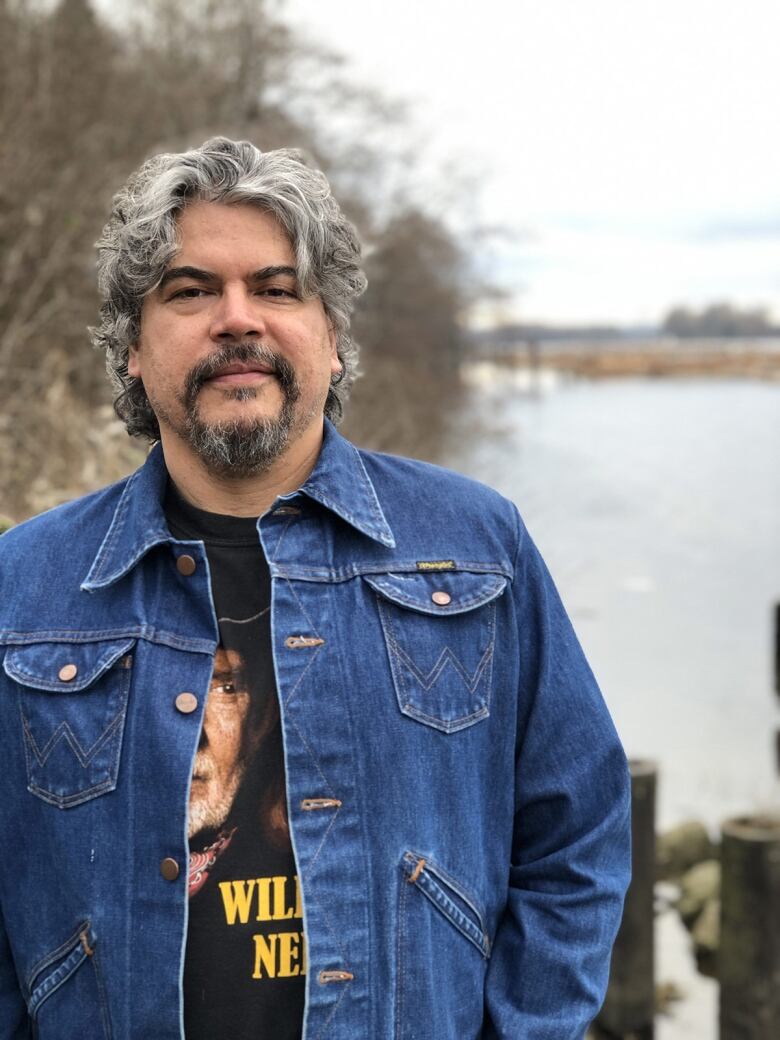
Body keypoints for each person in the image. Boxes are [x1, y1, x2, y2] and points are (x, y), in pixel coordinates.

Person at [0, 137, 631, 1039]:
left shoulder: (475, 548)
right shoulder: (23, 590)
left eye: (276, 286)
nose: (236, 318)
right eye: (189, 291)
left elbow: (578, 835)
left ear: (331, 340)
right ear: (132, 350)